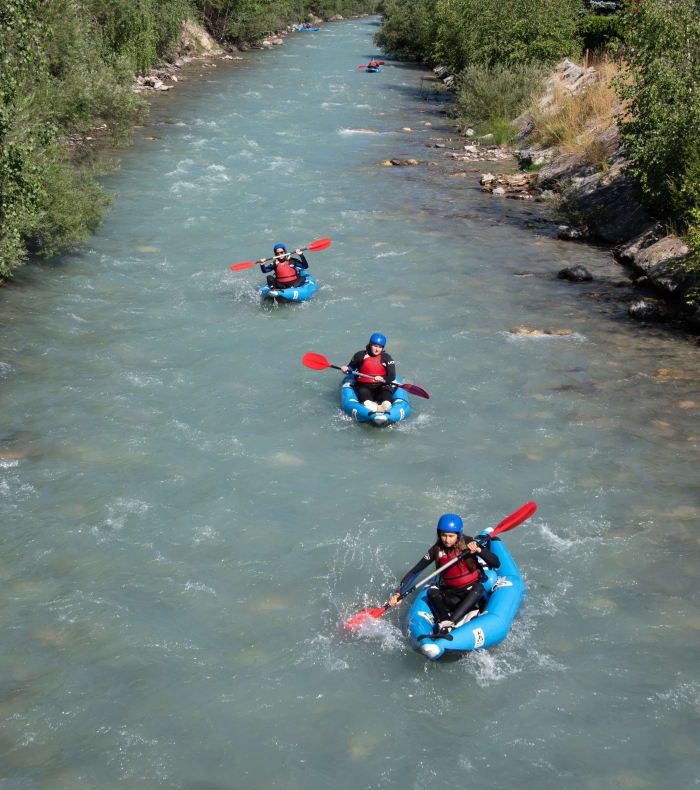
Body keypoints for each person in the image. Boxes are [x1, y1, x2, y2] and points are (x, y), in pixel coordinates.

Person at [387, 514, 500, 635]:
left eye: (451, 536)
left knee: (479, 588)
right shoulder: (436, 549)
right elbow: (414, 572)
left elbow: (496, 563)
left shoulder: (468, 543)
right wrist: (398, 593)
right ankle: (445, 620)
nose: (447, 540)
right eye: (444, 535)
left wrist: (479, 550)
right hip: (451, 594)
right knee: (431, 592)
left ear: (458, 534)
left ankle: (451, 622)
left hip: (471, 594)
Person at [340, 333, 396, 413]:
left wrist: (383, 378)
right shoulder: (360, 355)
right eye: (375, 346)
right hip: (364, 386)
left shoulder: (387, 357)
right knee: (367, 403)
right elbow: (350, 368)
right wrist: (346, 369)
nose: (377, 349)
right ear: (370, 344)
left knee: (386, 403)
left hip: (382, 386)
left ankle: (383, 409)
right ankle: (374, 411)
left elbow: (392, 376)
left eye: (380, 347)